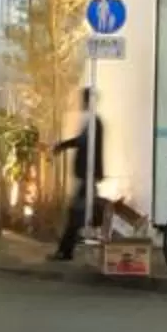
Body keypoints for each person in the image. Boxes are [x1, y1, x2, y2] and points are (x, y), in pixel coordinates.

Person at [52, 92, 104, 260]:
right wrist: (63, 145)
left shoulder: (94, 123)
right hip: (87, 176)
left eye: (84, 100)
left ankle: (65, 250)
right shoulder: (92, 122)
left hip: (87, 177)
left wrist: (63, 145)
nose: (81, 104)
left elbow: (84, 143)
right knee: (78, 212)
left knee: (76, 212)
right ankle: (66, 250)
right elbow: (82, 142)